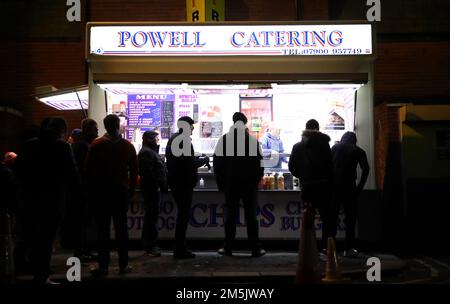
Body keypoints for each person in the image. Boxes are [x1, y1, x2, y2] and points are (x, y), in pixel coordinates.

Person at [14, 117, 80, 284]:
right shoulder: (62, 146)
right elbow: (73, 176)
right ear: (63, 131)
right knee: (46, 239)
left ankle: (20, 268)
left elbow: (18, 170)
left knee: (28, 234)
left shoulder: (29, 145)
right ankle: (42, 276)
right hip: (53, 200)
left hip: (29, 199)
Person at [86, 114, 138, 275]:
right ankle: (124, 265)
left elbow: (88, 170)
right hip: (120, 192)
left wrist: (92, 191)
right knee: (121, 230)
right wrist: (130, 191)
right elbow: (135, 171)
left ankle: (103, 266)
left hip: (101, 193)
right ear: (118, 125)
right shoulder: (127, 146)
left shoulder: (96, 144)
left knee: (103, 231)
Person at [213, 112, 266, 257]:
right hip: (249, 185)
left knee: (230, 216)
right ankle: (255, 248)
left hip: (231, 184)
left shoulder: (224, 140)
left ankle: (228, 247)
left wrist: (221, 182)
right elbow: (260, 163)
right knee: (251, 216)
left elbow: (217, 163)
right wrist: (256, 179)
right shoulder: (252, 141)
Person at [165, 116, 209, 259]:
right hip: (182, 183)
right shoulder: (182, 140)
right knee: (183, 216)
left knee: (182, 215)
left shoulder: (174, 138)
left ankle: (179, 247)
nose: (193, 128)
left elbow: (184, 160)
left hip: (176, 181)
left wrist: (197, 160)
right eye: (191, 125)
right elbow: (188, 164)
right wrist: (204, 160)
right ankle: (180, 249)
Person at [288, 119, 333, 252]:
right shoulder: (325, 145)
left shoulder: (297, 146)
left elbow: (292, 167)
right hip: (323, 187)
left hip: (307, 188)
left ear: (306, 129)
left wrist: (302, 176)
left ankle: (309, 248)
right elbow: (330, 166)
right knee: (327, 219)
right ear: (318, 129)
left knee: (308, 219)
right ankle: (326, 247)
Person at [331, 131, 369, 257]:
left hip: (335, 187)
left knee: (332, 218)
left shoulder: (334, 148)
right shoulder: (358, 150)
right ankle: (348, 248)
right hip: (350, 187)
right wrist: (360, 186)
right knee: (350, 218)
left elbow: (327, 166)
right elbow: (366, 168)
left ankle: (331, 248)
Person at [68, 118, 98, 261]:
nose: (97, 132)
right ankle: (80, 252)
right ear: (88, 130)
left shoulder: (81, 145)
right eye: (95, 129)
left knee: (83, 222)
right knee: (83, 223)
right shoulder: (83, 147)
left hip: (82, 190)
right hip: (83, 191)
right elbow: (85, 170)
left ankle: (83, 250)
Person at [138, 130, 167, 257]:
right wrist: (158, 184)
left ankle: (150, 245)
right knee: (151, 218)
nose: (157, 141)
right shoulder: (146, 153)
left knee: (151, 217)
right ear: (149, 140)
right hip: (151, 190)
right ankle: (150, 246)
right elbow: (149, 173)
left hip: (152, 189)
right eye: (156, 139)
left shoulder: (149, 152)